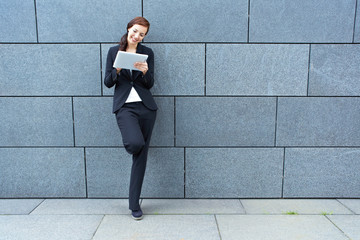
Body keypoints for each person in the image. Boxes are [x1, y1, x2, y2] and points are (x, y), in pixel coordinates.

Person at [104, 17, 157, 220]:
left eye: (141, 34)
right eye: (135, 31)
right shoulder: (112, 52)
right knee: (135, 144)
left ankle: (134, 205)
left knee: (140, 157)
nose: (137, 36)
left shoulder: (148, 53)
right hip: (125, 107)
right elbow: (108, 82)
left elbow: (150, 83)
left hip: (146, 108)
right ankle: (133, 143)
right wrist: (116, 70)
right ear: (128, 29)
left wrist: (145, 72)